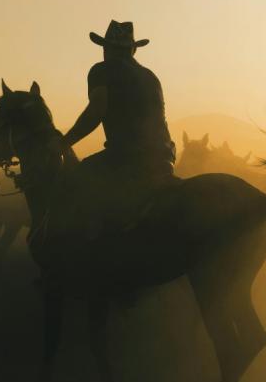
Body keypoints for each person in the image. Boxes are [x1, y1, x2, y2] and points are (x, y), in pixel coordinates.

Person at [54, 20, 176, 239]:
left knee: (75, 183)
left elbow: (97, 109)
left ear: (106, 48)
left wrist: (65, 142)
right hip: (164, 158)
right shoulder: (150, 76)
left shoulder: (102, 70)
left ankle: (87, 255)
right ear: (133, 49)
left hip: (128, 158)